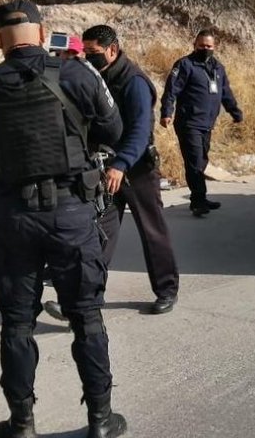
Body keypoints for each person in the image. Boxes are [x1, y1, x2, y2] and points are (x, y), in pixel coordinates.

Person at [0, 0, 126, 438]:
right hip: (71, 213)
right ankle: (100, 421)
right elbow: (113, 130)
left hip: (12, 216)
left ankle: (22, 423)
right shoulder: (78, 74)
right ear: (42, 35)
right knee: (86, 317)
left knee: (17, 322)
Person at [82, 24, 179, 315]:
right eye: (85, 53)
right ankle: (87, 298)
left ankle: (166, 290)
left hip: (136, 169)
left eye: (94, 53)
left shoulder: (133, 81)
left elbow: (139, 131)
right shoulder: (98, 77)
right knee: (100, 234)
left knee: (153, 231)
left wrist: (121, 164)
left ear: (113, 50)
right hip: (109, 169)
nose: (89, 59)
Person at [160, 29, 244, 217]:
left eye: (209, 46)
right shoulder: (185, 65)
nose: (205, 49)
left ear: (214, 47)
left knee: (202, 160)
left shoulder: (217, 68)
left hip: (207, 123)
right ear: (194, 45)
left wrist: (235, 112)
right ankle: (198, 201)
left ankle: (201, 197)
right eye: (202, 46)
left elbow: (226, 93)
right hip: (188, 122)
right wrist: (166, 112)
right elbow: (171, 90)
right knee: (195, 162)